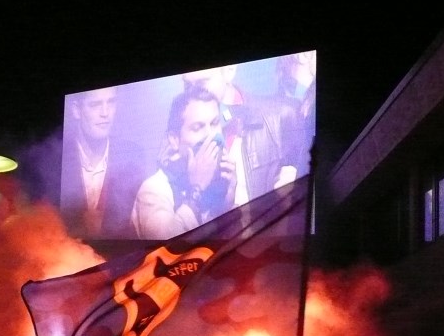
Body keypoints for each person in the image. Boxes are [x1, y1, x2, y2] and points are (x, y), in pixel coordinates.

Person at [181, 64, 306, 205]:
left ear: (229, 71)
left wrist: (297, 184)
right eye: (187, 85)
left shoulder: (283, 115)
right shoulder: (183, 135)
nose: (192, 93)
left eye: (202, 82)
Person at [131, 86, 236, 239]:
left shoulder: (219, 179)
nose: (210, 135)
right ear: (174, 140)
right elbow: (169, 248)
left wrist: (229, 195)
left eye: (214, 124)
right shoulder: (154, 189)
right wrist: (197, 190)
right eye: (197, 127)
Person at [61, 86, 147, 239]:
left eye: (111, 102)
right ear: (76, 110)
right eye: (95, 105)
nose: (105, 113)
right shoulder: (57, 158)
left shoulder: (133, 156)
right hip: (66, 256)